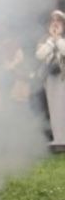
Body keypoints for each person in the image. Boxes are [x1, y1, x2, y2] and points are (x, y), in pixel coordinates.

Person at [35, 10, 65, 152]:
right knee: (54, 109)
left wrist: (58, 39)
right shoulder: (45, 39)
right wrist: (51, 40)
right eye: (53, 21)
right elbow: (40, 55)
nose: (55, 23)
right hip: (51, 79)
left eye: (58, 21)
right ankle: (59, 140)